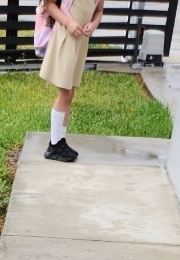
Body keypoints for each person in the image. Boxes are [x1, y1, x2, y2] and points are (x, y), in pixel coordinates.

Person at [39, 0, 104, 162]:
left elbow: (99, 11)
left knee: (70, 91)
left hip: (80, 40)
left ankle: (60, 140)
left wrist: (94, 24)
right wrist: (68, 22)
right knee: (65, 92)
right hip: (65, 36)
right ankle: (53, 146)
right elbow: (49, 5)